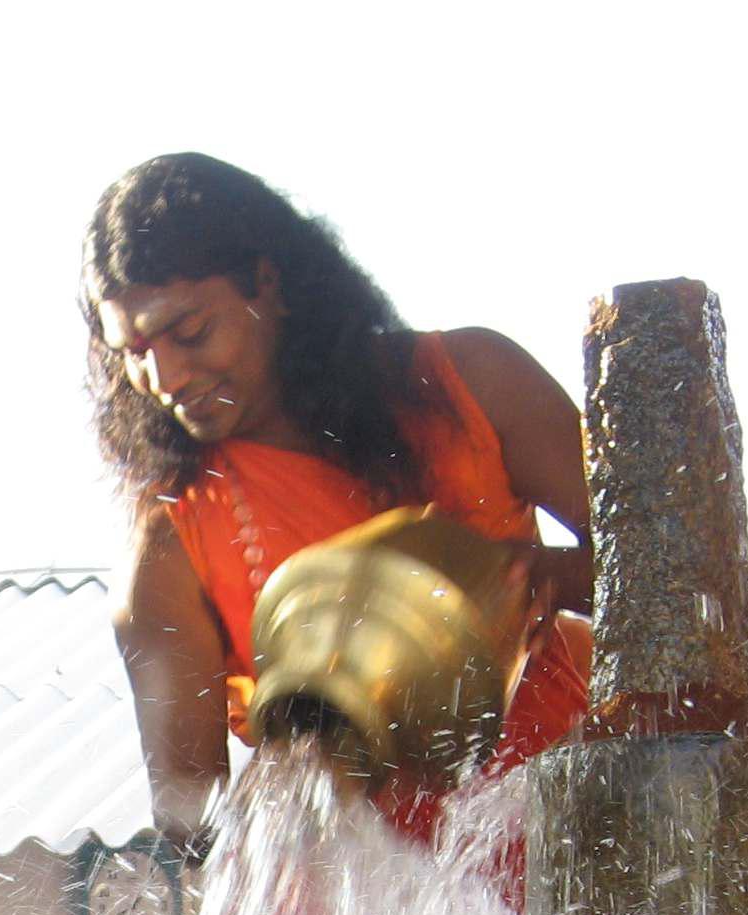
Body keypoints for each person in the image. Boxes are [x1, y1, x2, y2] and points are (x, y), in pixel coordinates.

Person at [89, 152, 594, 857]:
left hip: (590, 830)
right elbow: (187, 812)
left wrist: (533, 581)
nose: (164, 376)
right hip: (392, 901)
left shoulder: (471, 383)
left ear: (269, 283)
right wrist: (302, 759)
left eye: (190, 332)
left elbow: (680, 568)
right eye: (134, 352)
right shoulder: (171, 544)